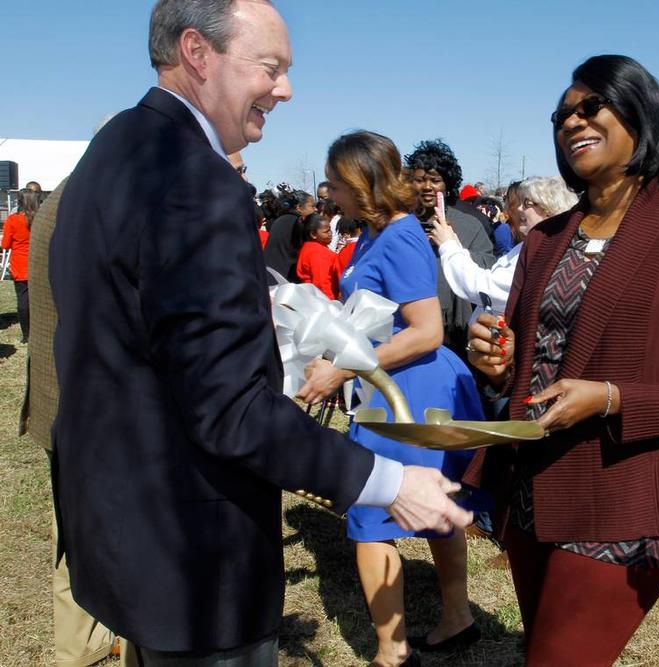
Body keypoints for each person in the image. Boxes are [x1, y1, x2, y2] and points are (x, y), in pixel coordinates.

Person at [48, 2, 470, 663]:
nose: (286, 89)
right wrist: (393, 483)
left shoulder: (114, 150)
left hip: (126, 532)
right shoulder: (198, 182)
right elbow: (229, 407)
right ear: (198, 52)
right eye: (270, 68)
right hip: (193, 556)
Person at [466, 54, 659, 666]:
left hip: (623, 500)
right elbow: (525, 360)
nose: (572, 122)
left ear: (641, 114)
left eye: (591, 106)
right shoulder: (545, 238)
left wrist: (614, 398)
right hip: (533, 493)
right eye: (562, 114)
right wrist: (494, 361)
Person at [298, 131, 488, 667]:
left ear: (361, 182)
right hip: (396, 384)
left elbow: (425, 330)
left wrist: (343, 370)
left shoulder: (400, 236)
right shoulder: (372, 235)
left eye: (336, 183)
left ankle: (392, 650)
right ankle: (456, 618)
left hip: (409, 389)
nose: (330, 193)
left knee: (370, 515)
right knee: (432, 506)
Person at [19, 181, 119, 667]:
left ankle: (80, 642)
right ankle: (88, 643)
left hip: (60, 402)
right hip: (89, 410)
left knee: (74, 533)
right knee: (94, 536)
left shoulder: (62, 198)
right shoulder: (93, 203)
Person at [430, 176, 577, 316]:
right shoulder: (531, 245)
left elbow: (486, 288)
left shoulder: (545, 252)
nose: (519, 209)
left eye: (528, 204)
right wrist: (453, 241)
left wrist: (448, 246)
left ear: (549, 209)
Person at [405, 140, 495, 358]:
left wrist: (451, 246)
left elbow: (489, 267)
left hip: (457, 333)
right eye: (420, 180)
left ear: (447, 185)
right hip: (409, 327)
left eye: (435, 180)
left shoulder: (469, 224)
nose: (427, 187)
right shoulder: (399, 224)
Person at [2, 188, 38, 343]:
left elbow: (5, 244)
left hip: (20, 265)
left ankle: (26, 334)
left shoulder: (13, 220)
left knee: (23, 300)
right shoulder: (39, 218)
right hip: (38, 264)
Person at [263, 187, 315, 281]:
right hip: (285, 280)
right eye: (312, 206)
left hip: (269, 274)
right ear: (299, 207)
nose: (315, 210)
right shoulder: (298, 223)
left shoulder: (280, 219)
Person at [294, 212, 340, 299]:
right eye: (326, 231)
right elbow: (322, 284)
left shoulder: (308, 247)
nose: (330, 234)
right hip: (324, 301)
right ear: (313, 234)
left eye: (330, 230)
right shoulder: (318, 252)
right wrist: (330, 305)